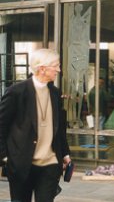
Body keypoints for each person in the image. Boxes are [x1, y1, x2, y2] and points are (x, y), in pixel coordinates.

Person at [0, 48, 71, 202]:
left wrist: (65, 153)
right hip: (21, 163)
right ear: (42, 68)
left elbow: (60, 128)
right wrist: (6, 157)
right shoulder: (16, 92)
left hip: (51, 163)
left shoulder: (55, 93)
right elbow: (1, 126)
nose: (58, 70)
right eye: (56, 66)